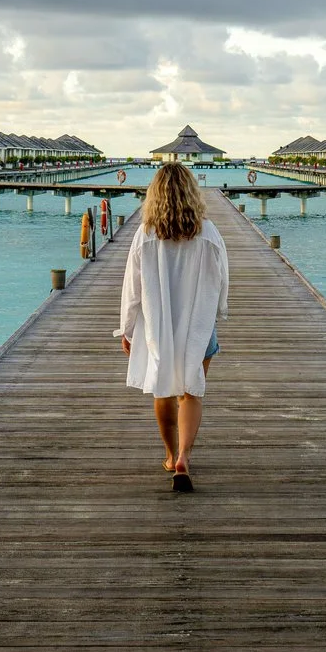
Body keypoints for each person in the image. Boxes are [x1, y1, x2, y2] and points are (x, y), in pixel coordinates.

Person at [116, 161, 229, 492]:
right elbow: (223, 278)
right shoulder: (209, 233)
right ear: (192, 193)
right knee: (191, 388)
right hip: (199, 323)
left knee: (163, 385)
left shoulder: (145, 235)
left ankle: (169, 454)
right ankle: (184, 457)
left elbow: (132, 287)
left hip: (158, 326)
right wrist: (221, 309)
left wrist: (127, 327)